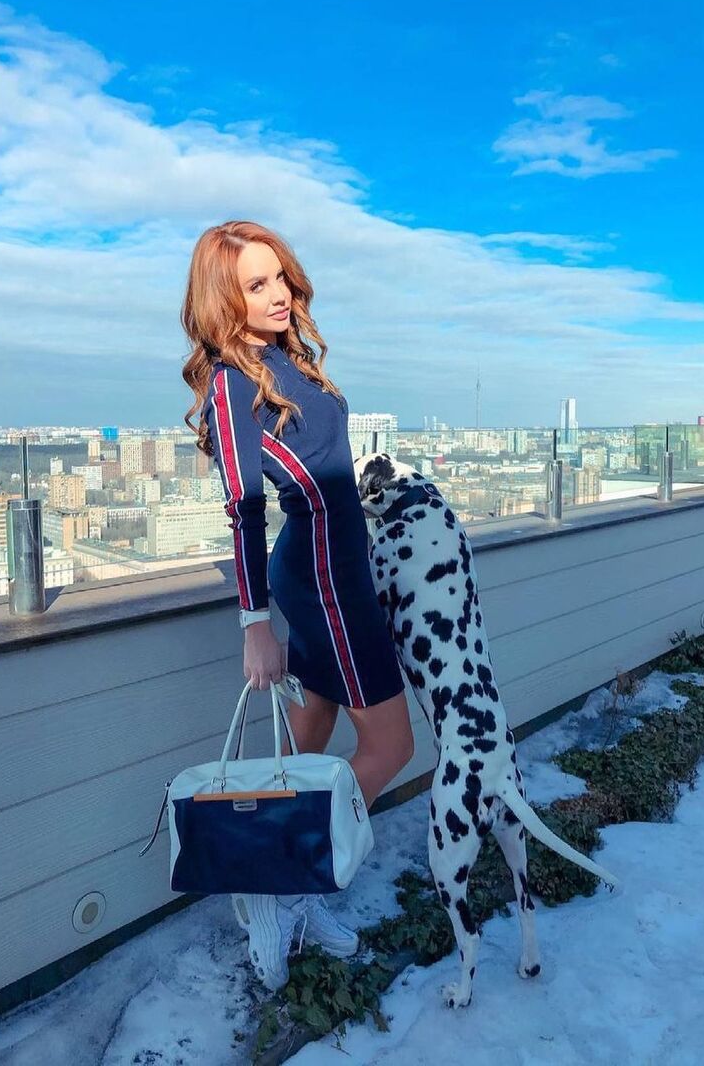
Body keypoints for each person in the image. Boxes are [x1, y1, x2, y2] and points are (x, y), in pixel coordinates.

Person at [181, 220, 415, 990]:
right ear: (224, 299)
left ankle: (287, 879)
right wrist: (255, 626)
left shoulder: (286, 358)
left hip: (335, 568)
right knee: (391, 747)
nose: (278, 293)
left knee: (307, 752)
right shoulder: (231, 381)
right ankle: (284, 883)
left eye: (279, 276)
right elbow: (244, 507)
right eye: (256, 284)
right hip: (322, 581)